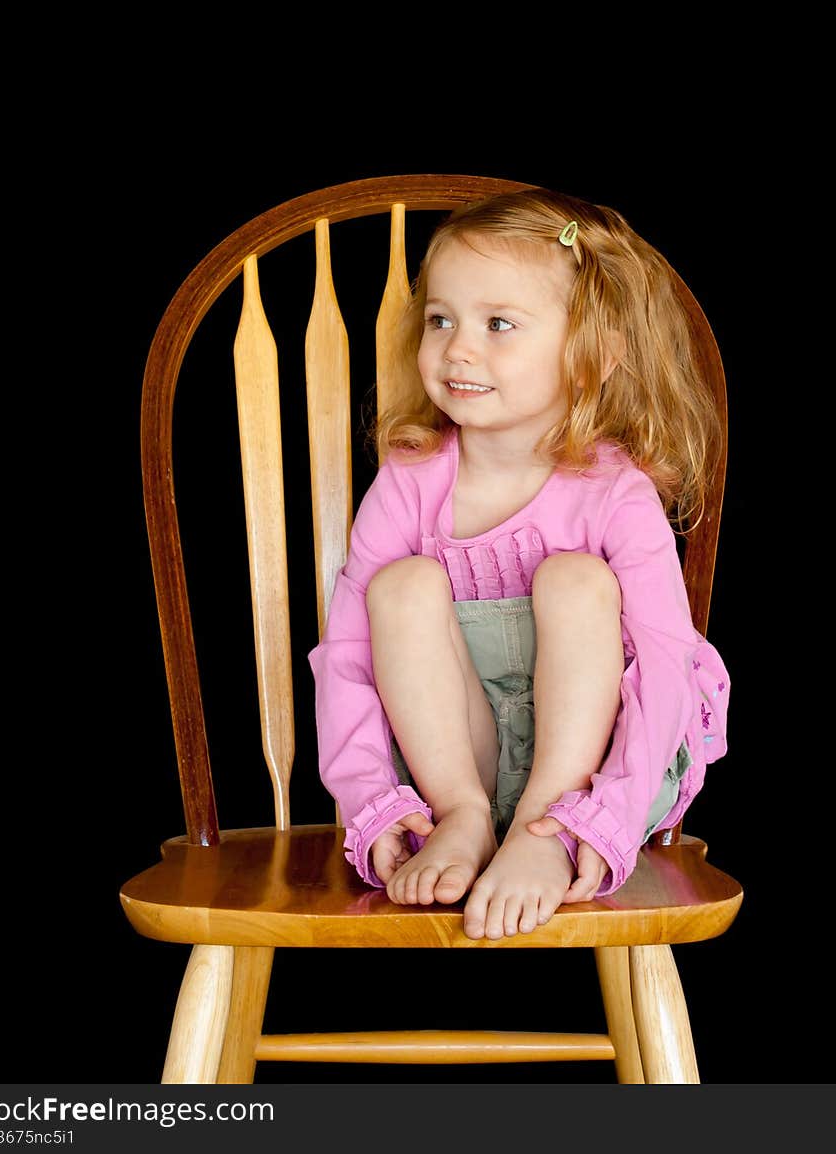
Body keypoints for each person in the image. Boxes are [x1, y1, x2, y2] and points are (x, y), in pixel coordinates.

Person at [307, 186, 730, 942]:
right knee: (398, 589)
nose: (458, 348)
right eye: (441, 320)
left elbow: (667, 667)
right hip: (449, 763)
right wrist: (374, 798)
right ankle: (468, 819)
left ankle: (540, 829)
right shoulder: (410, 478)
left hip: (596, 769)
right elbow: (346, 655)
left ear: (594, 357)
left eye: (499, 324)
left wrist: (597, 820)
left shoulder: (615, 494)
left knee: (576, 580)